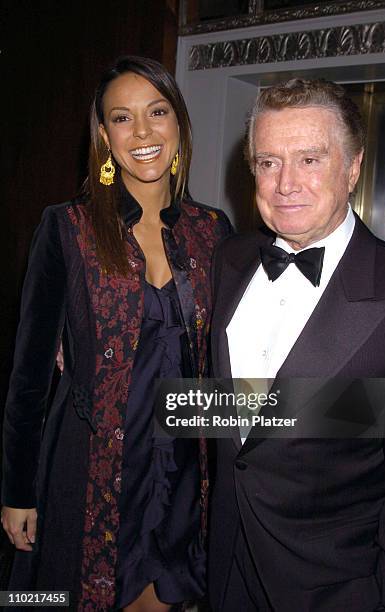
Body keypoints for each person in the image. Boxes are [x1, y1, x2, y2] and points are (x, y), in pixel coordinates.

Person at [1, 55, 231, 611]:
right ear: (104, 136)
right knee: (60, 598)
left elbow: (227, 363)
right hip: (90, 468)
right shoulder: (67, 228)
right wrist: (17, 492)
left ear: (179, 123)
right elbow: (30, 377)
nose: (144, 131)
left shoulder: (213, 232)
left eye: (157, 112)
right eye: (123, 118)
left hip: (183, 467)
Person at [208, 79, 385, 611]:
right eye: (268, 162)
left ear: (354, 167)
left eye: (310, 159)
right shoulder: (228, 263)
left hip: (337, 589)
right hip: (225, 571)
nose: (285, 184)